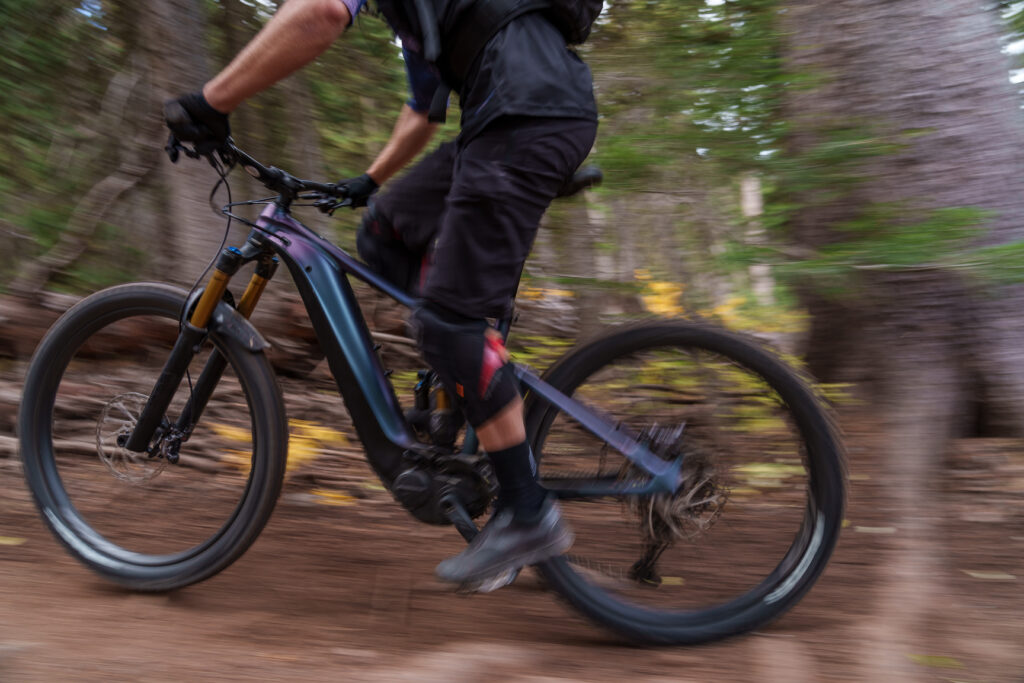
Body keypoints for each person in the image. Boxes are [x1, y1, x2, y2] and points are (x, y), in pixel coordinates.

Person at [165, 0, 598, 587]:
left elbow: (317, 14)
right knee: (386, 232)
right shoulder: (425, 18)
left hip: (524, 119)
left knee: (449, 323)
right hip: (515, 115)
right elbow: (424, 110)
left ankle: (527, 511)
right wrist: (369, 181)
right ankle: (466, 375)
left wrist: (210, 103)